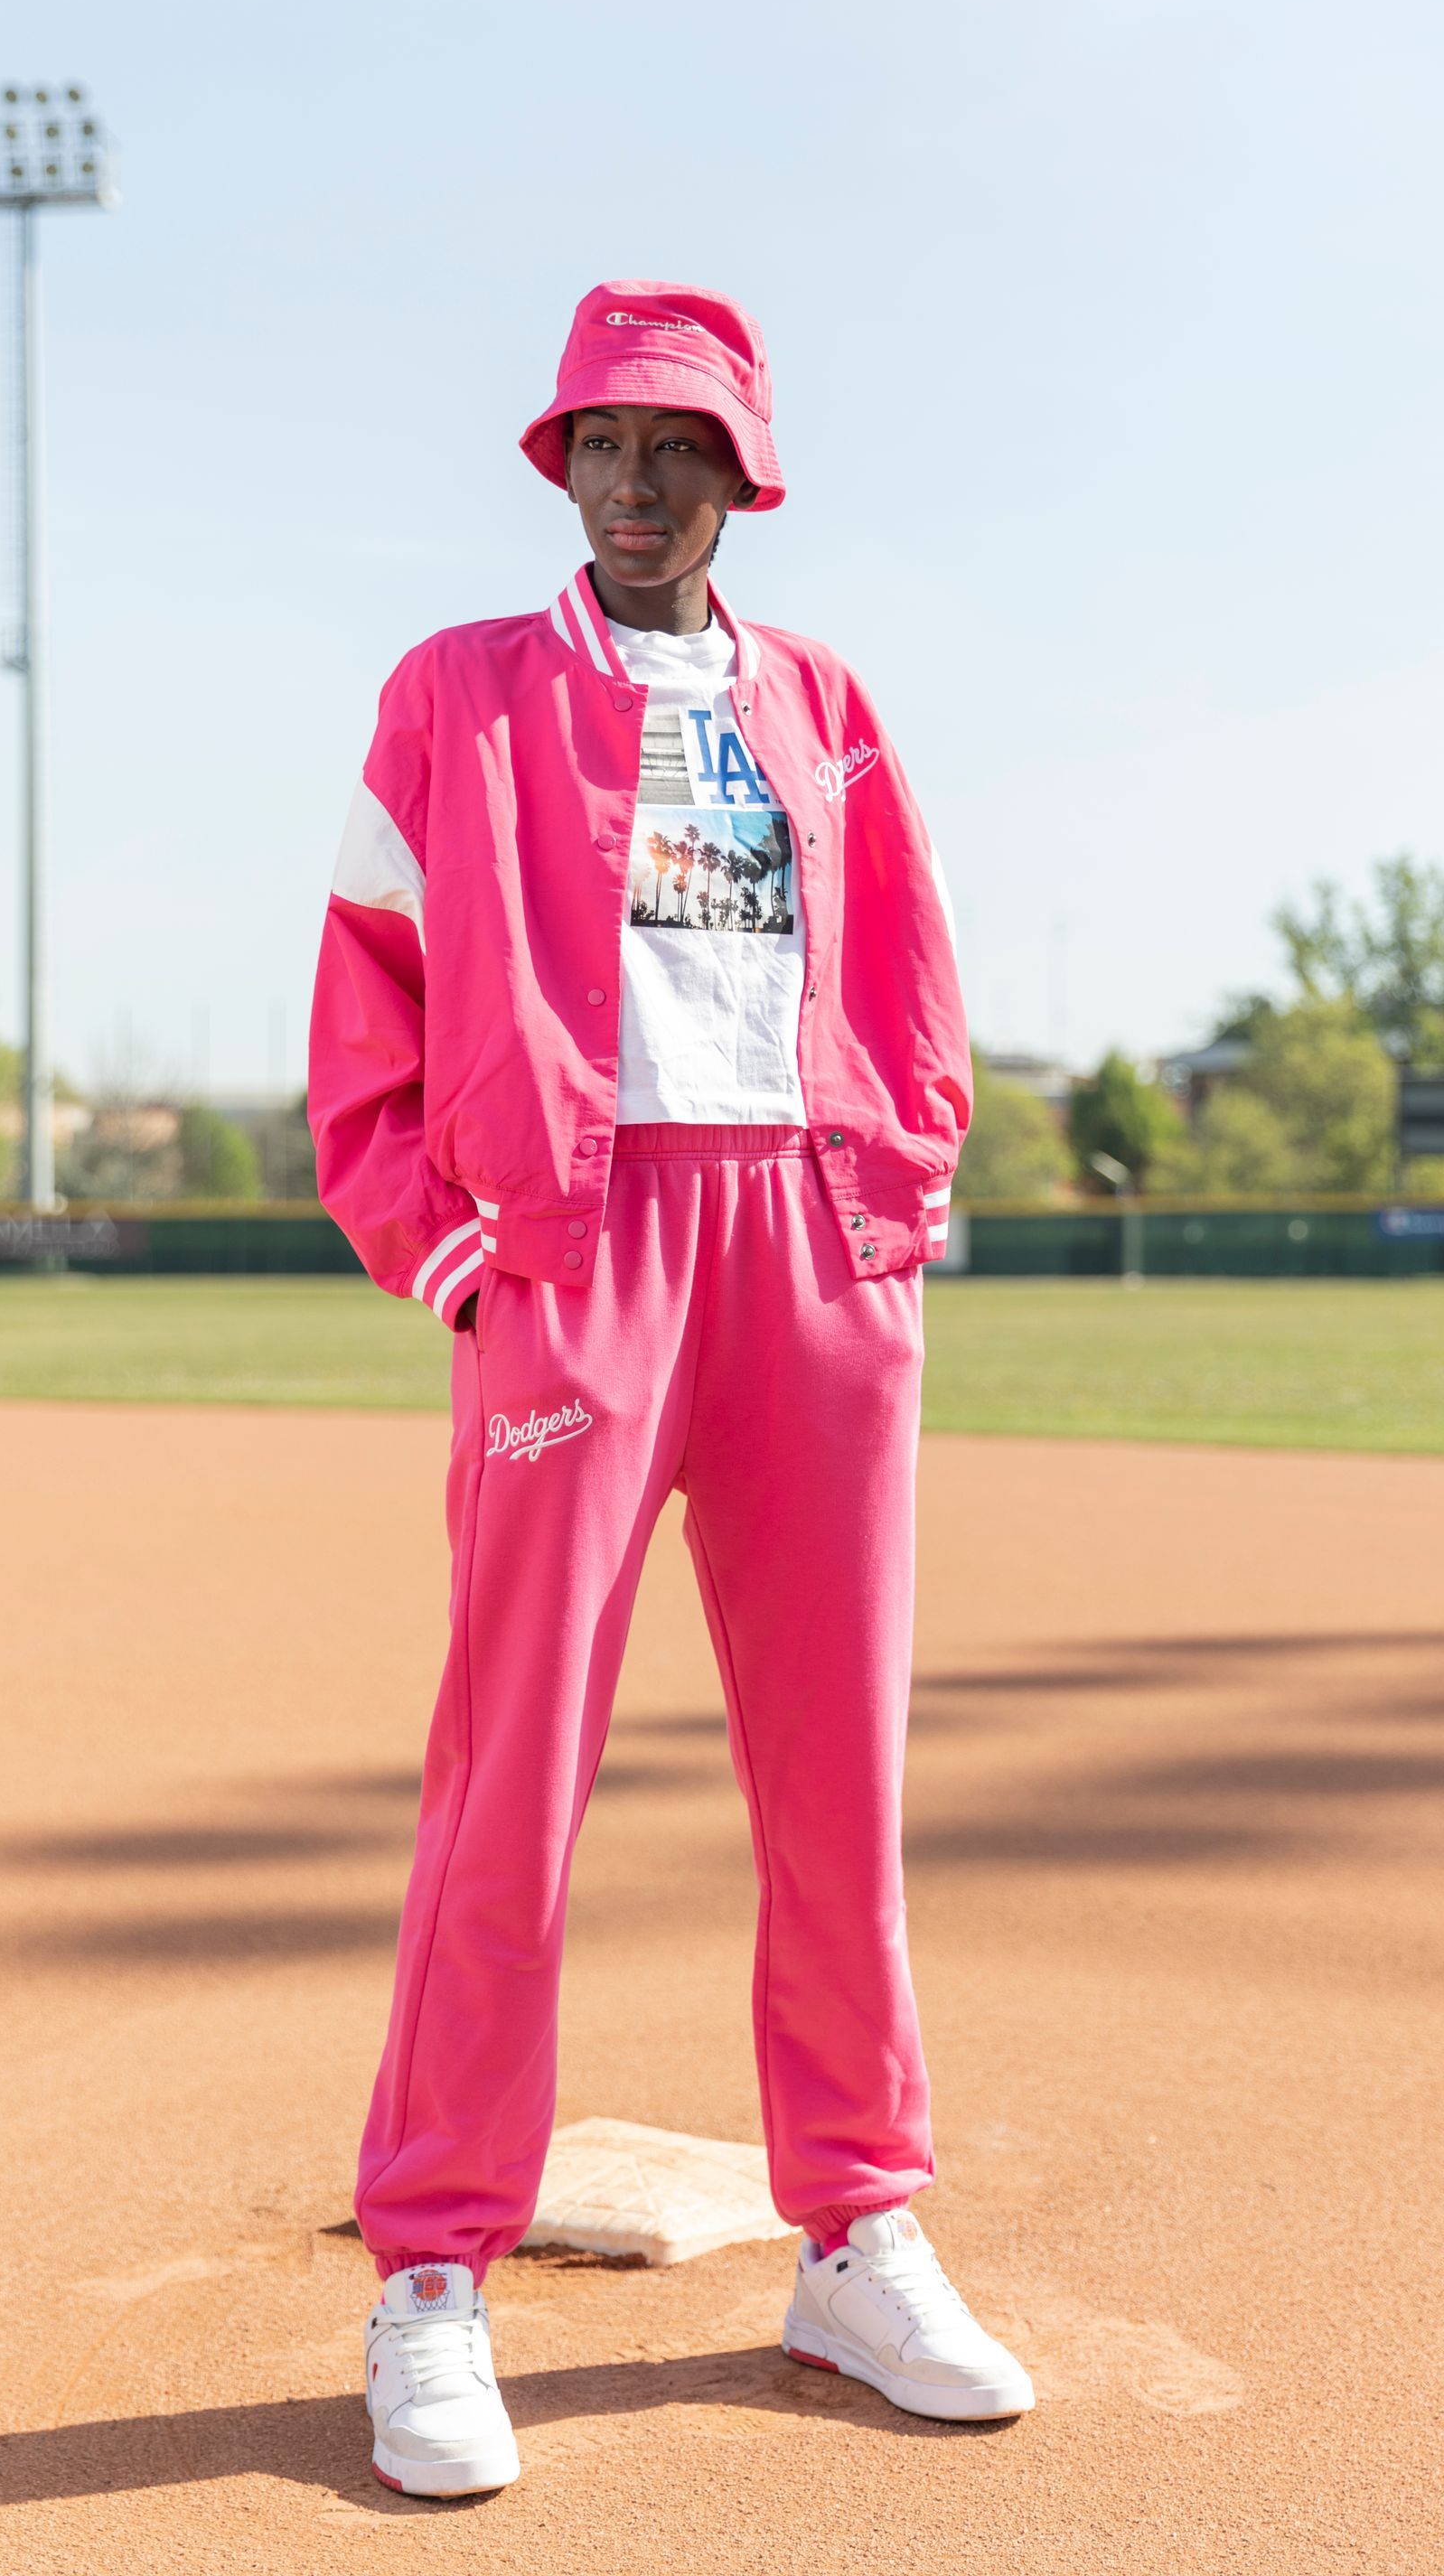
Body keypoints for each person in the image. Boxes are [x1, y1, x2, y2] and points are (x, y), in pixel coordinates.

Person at [308, 280, 1034, 2500]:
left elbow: (907, 965)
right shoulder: (457, 692)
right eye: (604, 446)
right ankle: (432, 2269)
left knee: (842, 1779)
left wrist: (892, 1208)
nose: (640, 484)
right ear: (565, 466)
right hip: (577, 1261)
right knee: (508, 1780)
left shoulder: (825, 701)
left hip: (809, 1254)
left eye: (681, 449)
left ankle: (857, 2229)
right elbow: (369, 999)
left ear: (745, 474)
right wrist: (459, 1250)